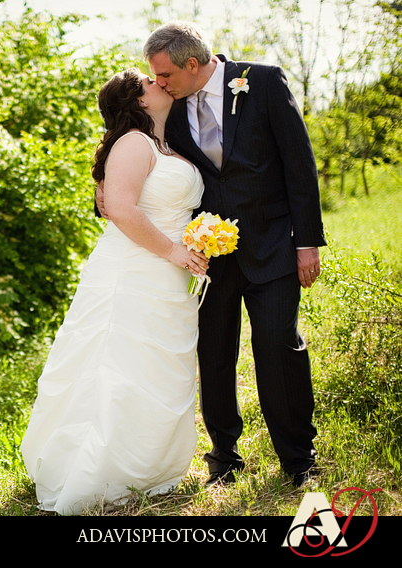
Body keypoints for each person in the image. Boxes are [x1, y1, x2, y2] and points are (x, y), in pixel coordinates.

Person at [98, 21, 326, 488]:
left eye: (164, 74)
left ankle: (299, 459)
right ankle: (224, 459)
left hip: (273, 248)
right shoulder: (169, 105)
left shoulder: (263, 82)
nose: (159, 83)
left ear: (192, 64)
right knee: (214, 356)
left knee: (279, 348)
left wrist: (307, 242)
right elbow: (133, 151)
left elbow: (299, 164)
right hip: (207, 258)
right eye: (154, 77)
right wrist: (101, 187)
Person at [20, 68, 209, 515]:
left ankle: (148, 468)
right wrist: (173, 251)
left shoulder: (167, 144)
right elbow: (122, 209)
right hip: (133, 271)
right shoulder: (133, 143)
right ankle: (97, 471)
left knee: (155, 369)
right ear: (139, 101)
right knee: (117, 367)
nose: (160, 83)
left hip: (169, 276)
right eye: (150, 82)